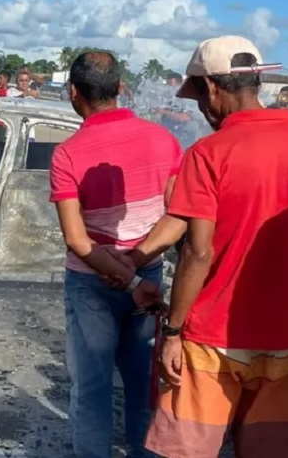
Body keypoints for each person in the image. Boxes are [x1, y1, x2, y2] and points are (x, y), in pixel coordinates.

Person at [133, 36, 288, 458]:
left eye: (198, 97)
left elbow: (198, 253)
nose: (200, 109)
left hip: (210, 343)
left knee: (186, 452)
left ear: (211, 88)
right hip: (287, 340)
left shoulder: (207, 153)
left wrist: (174, 332)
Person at [50, 50, 181, 457]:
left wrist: (126, 274)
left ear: (74, 93)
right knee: (142, 387)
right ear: (121, 89)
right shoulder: (165, 140)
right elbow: (179, 215)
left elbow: (77, 239)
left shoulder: (67, 153)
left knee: (92, 390)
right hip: (149, 280)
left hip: (92, 283)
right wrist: (138, 266)